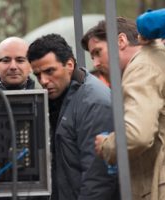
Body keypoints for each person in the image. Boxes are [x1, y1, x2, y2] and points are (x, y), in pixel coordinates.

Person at [82, 16, 165, 200]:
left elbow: (137, 135)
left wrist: (107, 145)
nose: (94, 63)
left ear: (121, 41)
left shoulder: (141, 68)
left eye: (97, 52)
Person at [27, 33, 118, 200]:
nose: (44, 81)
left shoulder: (94, 102)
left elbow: (98, 177)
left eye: (49, 71)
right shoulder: (59, 97)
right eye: (38, 75)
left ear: (69, 64)